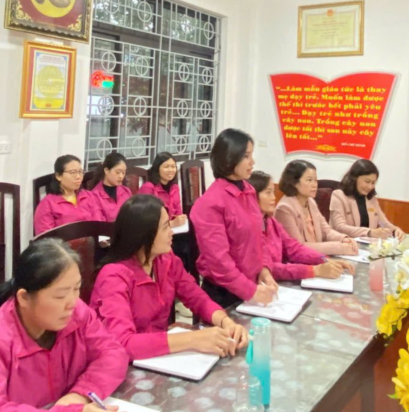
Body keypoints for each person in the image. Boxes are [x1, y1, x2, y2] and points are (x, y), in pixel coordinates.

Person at [0, 238, 130, 412]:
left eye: (76, 289)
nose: (72, 303)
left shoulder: (77, 314)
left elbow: (112, 353)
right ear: (24, 298)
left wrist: (79, 395)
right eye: (60, 295)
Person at [90, 194, 247, 360]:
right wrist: (193, 339)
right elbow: (123, 343)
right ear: (143, 235)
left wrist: (226, 322)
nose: (171, 232)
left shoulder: (166, 260)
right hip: (125, 364)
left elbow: (197, 298)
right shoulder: (113, 277)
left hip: (157, 356)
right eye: (165, 227)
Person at [189, 128, 278, 309]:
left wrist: (264, 269)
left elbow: (259, 238)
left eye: (251, 155)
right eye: (246, 156)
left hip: (251, 286)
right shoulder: (210, 203)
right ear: (230, 157)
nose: (252, 162)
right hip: (224, 294)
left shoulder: (248, 190)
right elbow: (219, 262)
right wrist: (250, 291)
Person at [250, 172, 354, 283]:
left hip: (275, 281)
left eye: (273, 192)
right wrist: (314, 270)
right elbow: (267, 268)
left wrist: (324, 260)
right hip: (260, 285)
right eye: (268, 193)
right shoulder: (250, 226)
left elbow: (294, 248)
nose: (274, 197)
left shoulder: (270, 221)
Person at [273, 160, 358, 256]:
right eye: (309, 180)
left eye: (315, 180)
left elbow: (326, 231)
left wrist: (343, 239)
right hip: (297, 261)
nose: (315, 184)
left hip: (316, 257)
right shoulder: (284, 208)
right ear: (294, 182)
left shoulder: (310, 202)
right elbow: (298, 247)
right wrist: (340, 247)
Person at [328, 159, 405, 240]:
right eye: (367, 181)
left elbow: (382, 223)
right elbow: (340, 227)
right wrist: (369, 232)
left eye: (373, 183)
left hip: (367, 244)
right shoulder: (338, 195)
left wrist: (395, 230)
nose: (370, 187)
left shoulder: (371, 199)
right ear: (355, 178)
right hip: (343, 243)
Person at [33, 155, 100, 235]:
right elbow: (46, 238)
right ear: (58, 176)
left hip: (91, 241)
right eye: (73, 172)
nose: (78, 177)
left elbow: (99, 225)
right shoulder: (47, 204)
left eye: (80, 172)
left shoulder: (89, 196)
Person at [137, 152, 187, 228]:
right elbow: (145, 219)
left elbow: (178, 213)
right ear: (157, 168)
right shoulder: (148, 188)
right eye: (166, 167)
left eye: (173, 167)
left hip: (172, 229)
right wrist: (171, 224)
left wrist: (180, 219)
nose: (171, 170)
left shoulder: (174, 187)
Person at [88, 152, 132, 223]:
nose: (121, 176)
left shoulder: (126, 191)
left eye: (123, 172)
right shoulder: (94, 196)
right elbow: (99, 224)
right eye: (118, 172)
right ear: (106, 170)